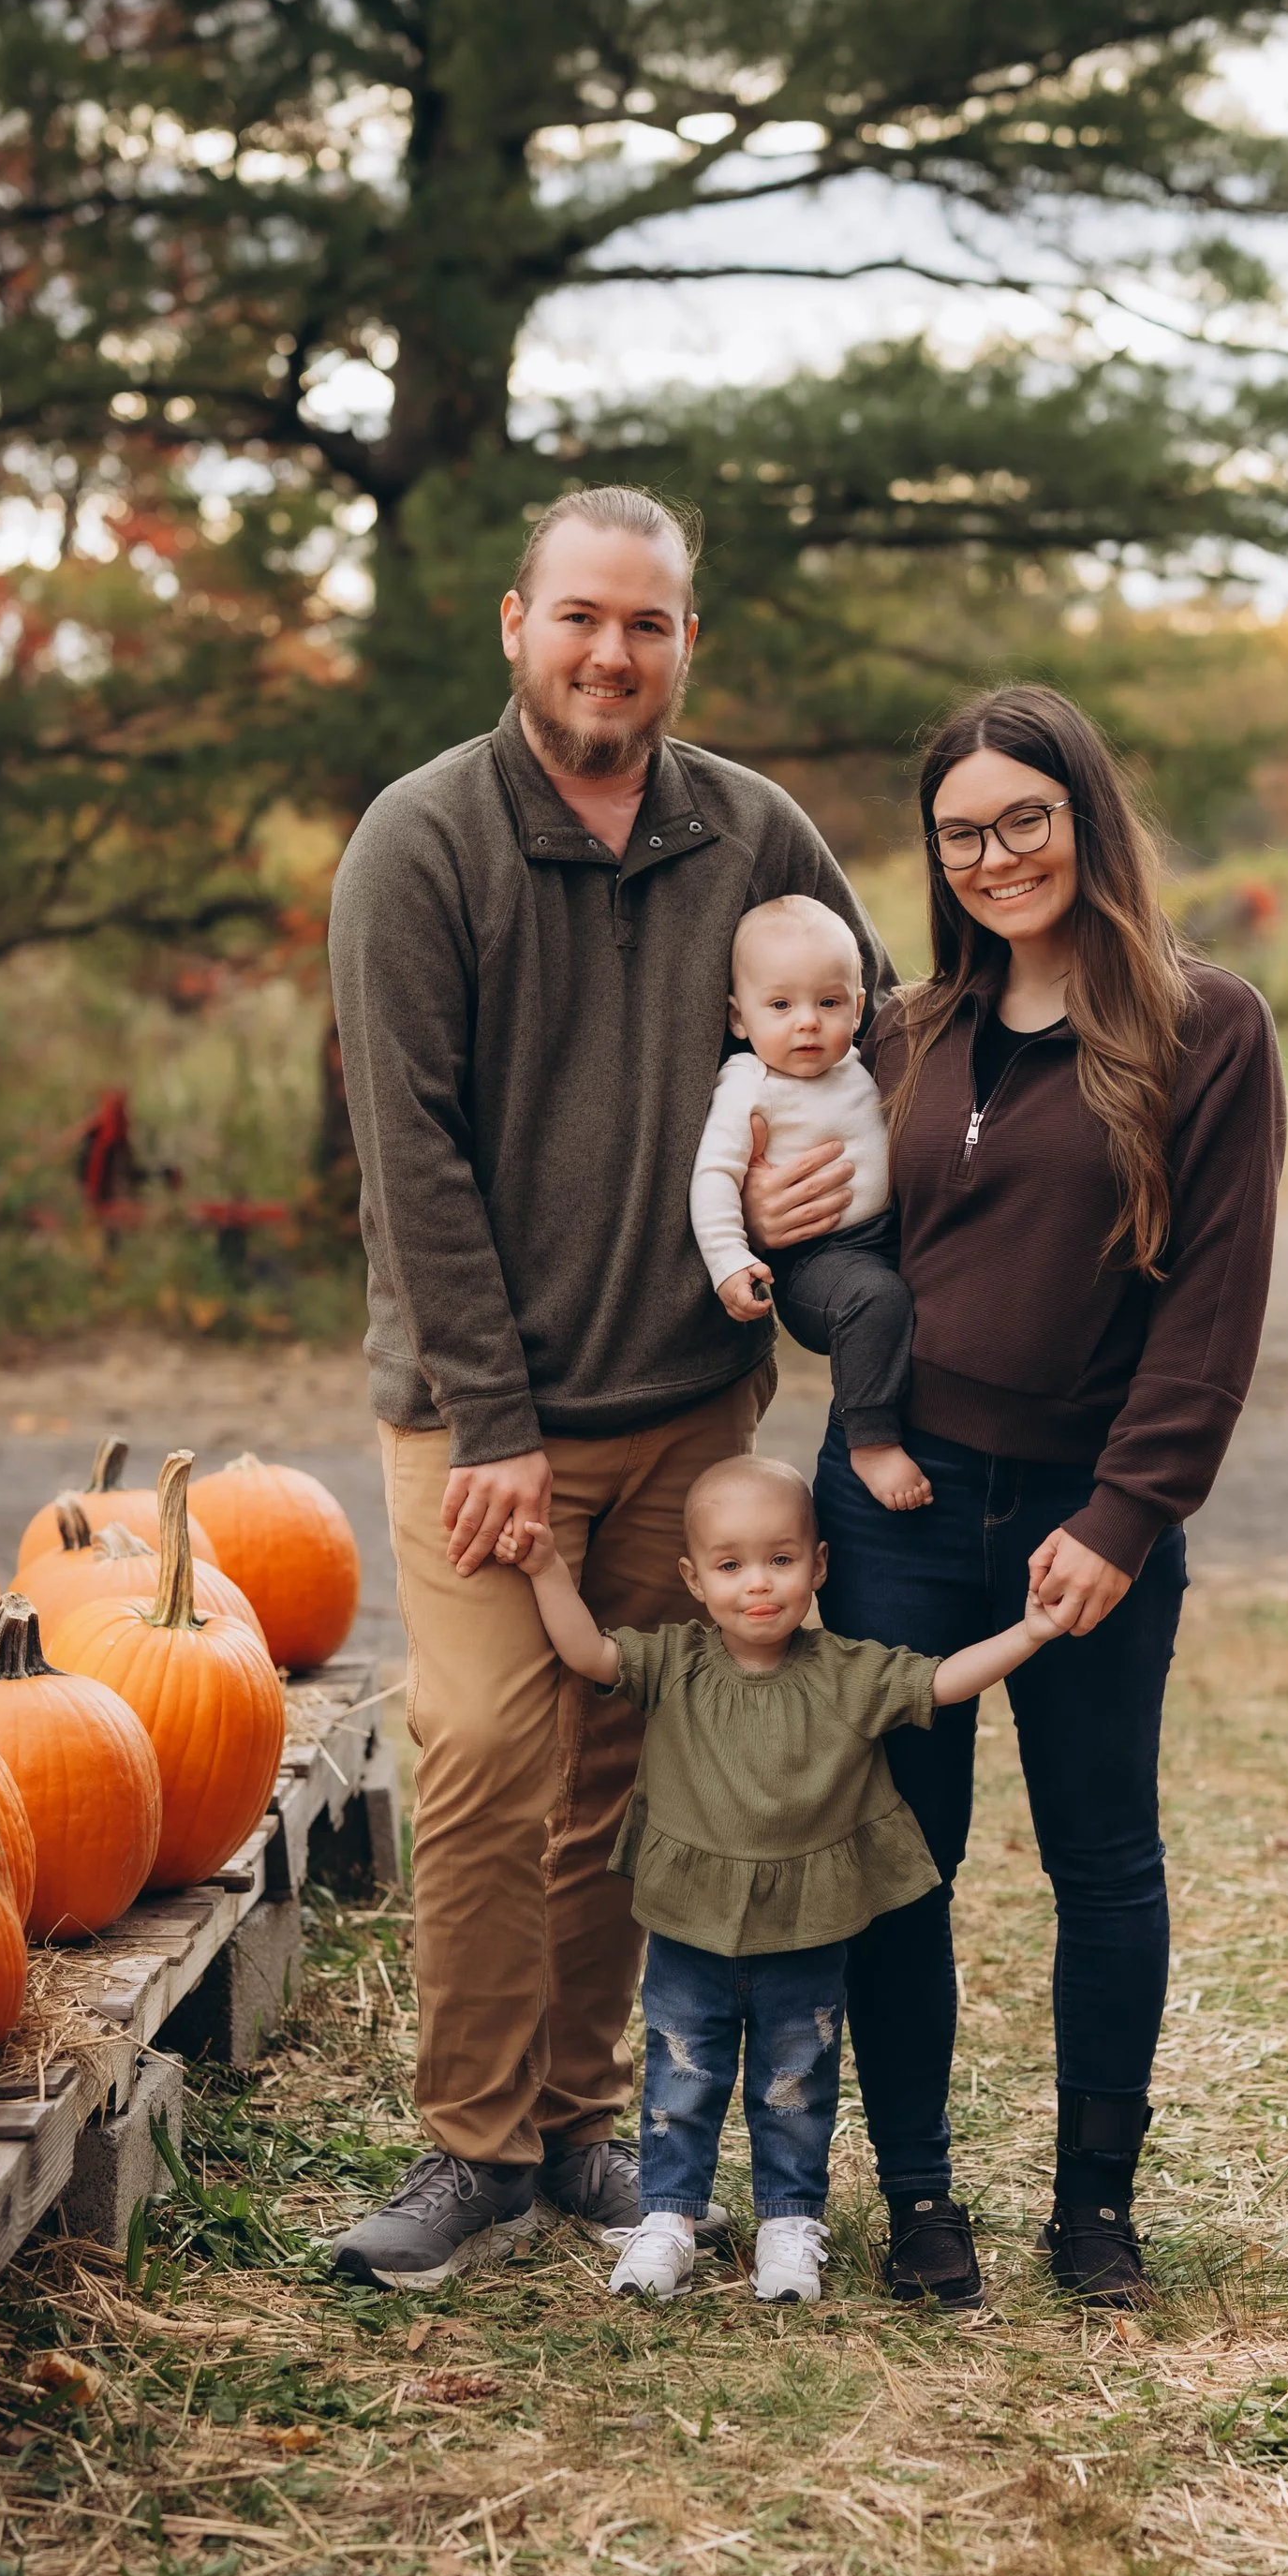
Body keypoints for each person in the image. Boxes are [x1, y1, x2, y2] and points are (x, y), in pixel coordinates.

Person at [325, 486, 888, 2290]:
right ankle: (470, 2145)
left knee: (623, 1766)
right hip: (487, 1414)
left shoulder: (759, 836)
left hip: (690, 1408)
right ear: (516, 624)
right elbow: (409, 1157)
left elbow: (864, 1033)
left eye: (646, 624)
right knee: (488, 1751)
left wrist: (817, 1210)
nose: (610, 652)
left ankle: (579, 2121)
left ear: (684, 645)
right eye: (581, 616)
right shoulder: (420, 844)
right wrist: (492, 1423)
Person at [743, 685, 1284, 2313]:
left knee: (1102, 1856)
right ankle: (919, 2200)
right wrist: (782, 1241)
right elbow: (828, 1268)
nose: (994, 856)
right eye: (961, 832)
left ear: (1085, 817)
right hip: (900, 1501)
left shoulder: (1206, 1028)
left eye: (1023, 819)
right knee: (906, 1853)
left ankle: (1095, 2213)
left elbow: (1213, 1307)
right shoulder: (896, 1036)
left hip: (1085, 1511)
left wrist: (1129, 1516)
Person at [496, 1454, 1065, 2304]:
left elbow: (943, 1683)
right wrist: (545, 1567)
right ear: (693, 1579)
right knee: (680, 2076)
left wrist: (1032, 1632)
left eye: (781, 1560)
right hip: (692, 1924)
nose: (757, 1585)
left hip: (807, 1927)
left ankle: (790, 2224)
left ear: (819, 1565)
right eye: (730, 1566)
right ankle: (667, 2217)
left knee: (795, 2083)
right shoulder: (677, 1665)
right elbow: (586, 1652)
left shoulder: (846, 1672)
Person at [689, 894, 928, 1513]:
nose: (806, 1022)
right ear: (739, 1019)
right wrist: (730, 1261)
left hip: (886, 1235)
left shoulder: (862, 1067)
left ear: (856, 1007)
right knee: (876, 1299)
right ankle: (870, 1439)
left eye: (827, 1003)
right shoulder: (749, 1085)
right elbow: (714, 1175)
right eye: (780, 1005)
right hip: (814, 1261)